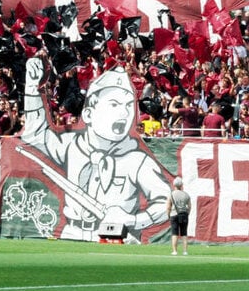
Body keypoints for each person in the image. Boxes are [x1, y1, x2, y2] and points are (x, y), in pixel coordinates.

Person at [21, 58, 172, 241]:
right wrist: (31, 89)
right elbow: (35, 136)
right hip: (72, 233)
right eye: (114, 104)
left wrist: (134, 220)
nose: (124, 113)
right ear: (89, 113)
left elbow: (166, 201)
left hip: (118, 236)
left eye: (128, 106)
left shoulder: (136, 160)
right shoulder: (71, 145)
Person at [166, 176, 192, 255]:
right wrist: (187, 213)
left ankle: (175, 251)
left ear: (174, 185)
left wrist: (168, 215)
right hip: (184, 214)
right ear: (181, 185)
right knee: (184, 234)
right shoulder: (186, 195)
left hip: (174, 215)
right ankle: (185, 251)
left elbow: (168, 206)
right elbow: (189, 206)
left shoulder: (171, 194)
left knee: (175, 234)